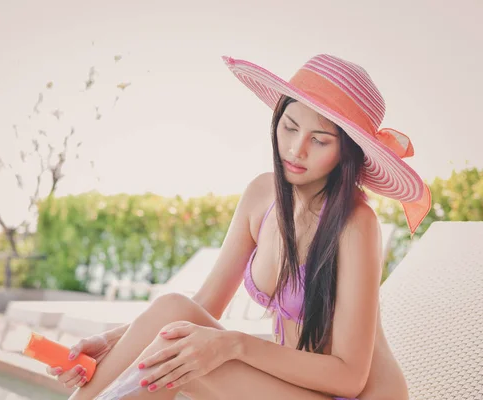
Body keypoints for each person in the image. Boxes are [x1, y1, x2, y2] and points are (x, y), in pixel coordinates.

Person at [46, 54, 432, 400]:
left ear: (345, 151)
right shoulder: (262, 196)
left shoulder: (355, 223)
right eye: (290, 127)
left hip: (351, 394)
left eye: (319, 140)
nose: (296, 150)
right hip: (296, 389)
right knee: (174, 315)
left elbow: (349, 376)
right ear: (277, 119)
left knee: (179, 349)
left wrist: (233, 344)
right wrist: (111, 342)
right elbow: (199, 306)